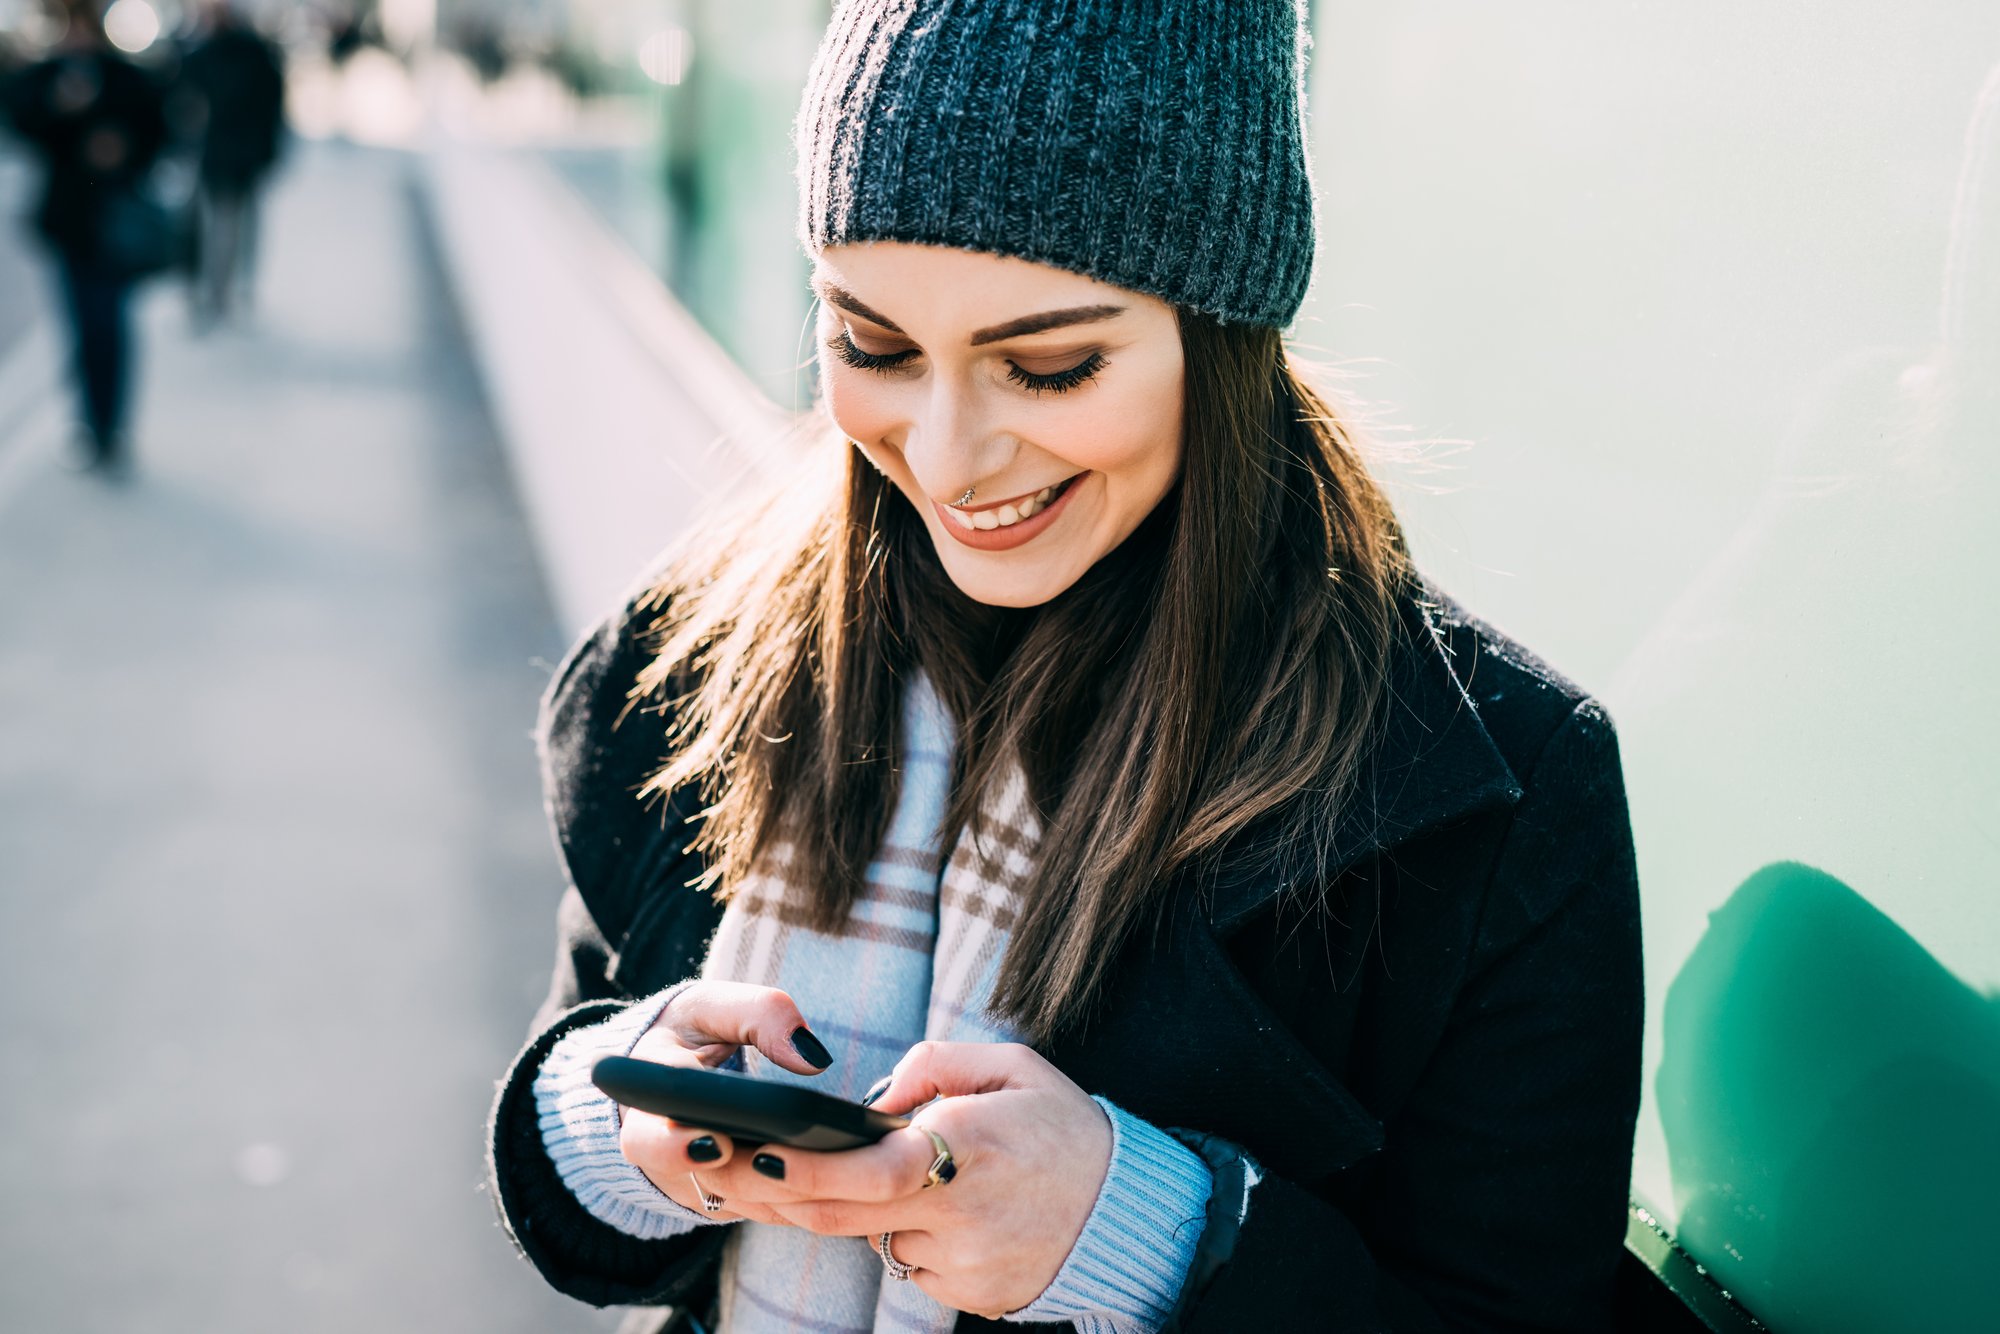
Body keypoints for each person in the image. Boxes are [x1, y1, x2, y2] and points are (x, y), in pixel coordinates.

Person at [487, 3, 1645, 1331]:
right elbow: (577, 1096)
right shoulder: (706, 654)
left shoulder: (1486, 790)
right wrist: (628, 1107)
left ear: (1219, 334)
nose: (949, 451)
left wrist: (1152, 1236)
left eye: (1046, 365)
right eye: (871, 345)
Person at [2, 0, 167, 476]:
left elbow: (156, 130)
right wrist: (60, 107)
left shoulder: (127, 77)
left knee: (110, 324)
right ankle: (90, 424)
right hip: (70, 222)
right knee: (79, 323)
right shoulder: (47, 75)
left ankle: (111, 426)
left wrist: (122, 148)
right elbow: (23, 121)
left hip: (116, 222)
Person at [176, 0, 285, 329]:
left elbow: (268, 107)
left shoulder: (242, 54)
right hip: (222, 155)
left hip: (231, 155)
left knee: (227, 225)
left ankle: (221, 293)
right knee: (223, 225)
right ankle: (219, 291)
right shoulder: (206, 50)